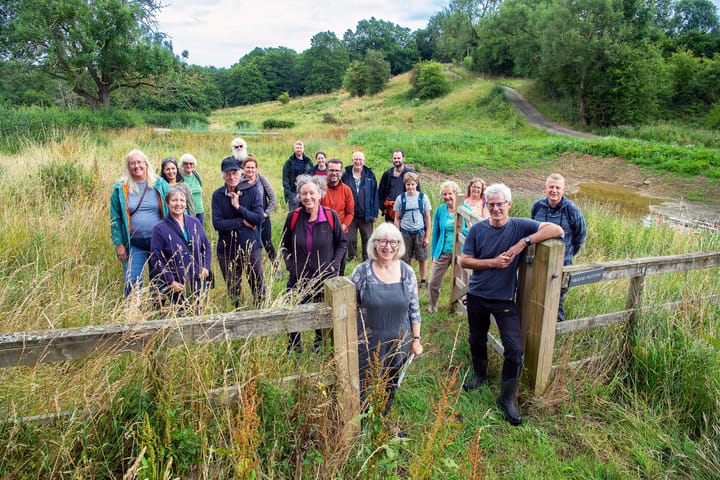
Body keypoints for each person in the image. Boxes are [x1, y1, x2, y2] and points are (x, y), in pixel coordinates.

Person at [460, 183, 563, 426]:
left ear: (509, 205)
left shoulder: (519, 225)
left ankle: (506, 398)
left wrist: (523, 242)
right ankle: (479, 375)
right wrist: (493, 263)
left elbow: (556, 229)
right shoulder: (478, 230)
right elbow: (464, 260)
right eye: (491, 204)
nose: (496, 209)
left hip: (504, 300)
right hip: (477, 295)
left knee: (514, 349)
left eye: (500, 204)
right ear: (486, 205)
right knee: (476, 338)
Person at [350, 222, 423, 421]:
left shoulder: (407, 273)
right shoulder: (362, 272)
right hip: (368, 341)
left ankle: (383, 420)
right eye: (383, 241)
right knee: (365, 382)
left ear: (399, 246)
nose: (388, 246)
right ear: (374, 244)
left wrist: (416, 339)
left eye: (393, 242)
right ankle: (362, 424)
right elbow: (348, 308)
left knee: (391, 382)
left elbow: (414, 309)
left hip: (398, 340)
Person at [281, 175, 347, 352]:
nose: (307, 197)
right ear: (299, 196)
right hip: (298, 279)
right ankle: (295, 348)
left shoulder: (330, 216)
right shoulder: (293, 217)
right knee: (294, 314)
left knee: (320, 313)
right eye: (304, 194)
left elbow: (342, 243)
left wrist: (334, 266)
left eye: (311, 193)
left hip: (324, 278)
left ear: (319, 194)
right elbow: (284, 246)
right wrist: (292, 268)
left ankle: (319, 344)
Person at [110, 149, 169, 297]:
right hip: (135, 242)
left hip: (158, 242)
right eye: (132, 163)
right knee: (132, 280)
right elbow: (115, 218)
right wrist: (119, 244)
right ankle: (133, 313)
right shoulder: (121, 188)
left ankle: (158, 314)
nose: (136, 166)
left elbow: (175, 205)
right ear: (128, 166)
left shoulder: (159, 184)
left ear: (146, 164)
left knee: (159, 281)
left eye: (139, 162)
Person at [531, 173, 587, 321]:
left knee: (558, 298)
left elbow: (580, 235)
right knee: (538, 294)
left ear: (563, 190)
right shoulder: (537, 207)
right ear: (545, 188)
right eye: (551, 187)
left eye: (558, 187)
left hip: (562, 263)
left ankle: (557, 330)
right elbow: (533, 229)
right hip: (539, 262)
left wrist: (569, 254)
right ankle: (538, 327)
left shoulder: (572, 210)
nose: (554, 190)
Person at [212, 157, 266, 307]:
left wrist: (238, 207)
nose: (231, 177)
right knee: (233, 289)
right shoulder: (217, 195)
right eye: (227, 173)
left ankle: (261, 314)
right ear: (223, 175)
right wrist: (242, 222)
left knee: (258, 285)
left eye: (234, 173)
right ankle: (237, 315)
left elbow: (259, 218)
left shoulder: (252, 191)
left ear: (240, 173)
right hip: (227, 250)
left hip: (250, 247)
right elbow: (217, 224)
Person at [150, 187, 211, 314]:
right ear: (167, 203)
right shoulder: (159, 228)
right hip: (177, 283)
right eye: (174, 200)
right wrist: (170, 281)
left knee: (198, 314)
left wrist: (206, 267)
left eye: (182, 200)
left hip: (197, 279)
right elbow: (156, 258)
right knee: (181, 316)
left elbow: (206, 246)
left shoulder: (195, 222)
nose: (178, 204)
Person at [428, 180, 468, 313]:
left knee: (462, 283)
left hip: (461, 252)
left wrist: (459, 225)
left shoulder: (464, 209)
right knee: (433, 282)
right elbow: (436, 233)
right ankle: (433, 307)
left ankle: (459, 309)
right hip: (443, 251)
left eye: (450, 194)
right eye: (444, 194)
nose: (447, 197)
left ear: (455, 193)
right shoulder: (440, 210)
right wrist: (434, 254)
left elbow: (473, 231)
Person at [393, 172, 431, 289]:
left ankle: (423, 281)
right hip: (405, 232)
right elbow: (396, 218)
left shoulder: (423, 197)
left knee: (422, 257)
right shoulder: (401, 198)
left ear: (416, 184)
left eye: (413, 184)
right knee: (406, 257)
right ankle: (410, 279)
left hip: (420, 232)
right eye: (408, 184)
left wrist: (427, 236)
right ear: (405, 185)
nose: (410, 187)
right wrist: (397, 236)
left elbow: (427, 217)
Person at [342, 151, 379, 261]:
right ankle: (352, 257)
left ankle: (367, 258)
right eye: (356, 159)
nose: (358, 161)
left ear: (364, 161)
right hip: (350, 213)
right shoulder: (346, 175)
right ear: (352, 160)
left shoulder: (370, 175)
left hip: (366, 213)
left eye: (360, 159)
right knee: (350, 238)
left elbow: (374, 194)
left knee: (367, 237)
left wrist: (375, 212)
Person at [320, 158, 354, 275]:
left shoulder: (347, 190)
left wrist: (343, 226)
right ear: (327, 171)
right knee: (323, 263)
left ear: (341, 172)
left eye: (337, 170)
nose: (334, 173)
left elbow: (350, 212)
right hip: (322, 233)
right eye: (331, 170)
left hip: (341, 233)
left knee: (340, 263)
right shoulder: (319, 189)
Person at [242, 156, 278, 264]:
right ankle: (254, 268)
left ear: (256, 168)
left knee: (267, 243)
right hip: (247, 219)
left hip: (262, 219)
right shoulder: (240, 182)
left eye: (252, 167)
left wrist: (266, 213)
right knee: (251, 244)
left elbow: (273, 198)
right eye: (248, 167)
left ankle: (276, 268)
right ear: (243, 168)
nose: (250, 170)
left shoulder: (261, 179)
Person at [378, 149, 419, 222]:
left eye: (399, 158)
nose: (396, 160)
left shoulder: (410, 173)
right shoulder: (387, 174)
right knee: (391, 233)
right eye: (394, 158)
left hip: (406, 211)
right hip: (390, 212)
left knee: (404, 233)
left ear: (403, 158)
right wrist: (383, 208)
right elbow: (380, 192)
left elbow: (417, 191)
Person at [282, 140, 313, 211]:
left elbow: (312, 175)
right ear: (294, 149)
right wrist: (288, 193)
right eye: (297, 147)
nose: (299, 149)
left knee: (307, 211)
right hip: (293, 192)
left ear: (303, 149)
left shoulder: (308, 161)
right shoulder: (289, 162)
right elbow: (285, 178)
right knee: (294, 213)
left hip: (306, 191)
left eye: (300, 147)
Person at [179, 153, 205, 225]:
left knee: (199, 233)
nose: (189, 165)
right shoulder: (180, 178)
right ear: (182, 164)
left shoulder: (196, 175)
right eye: (186, 163)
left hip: (199, 210)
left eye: (191, 163)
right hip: (187, 211)